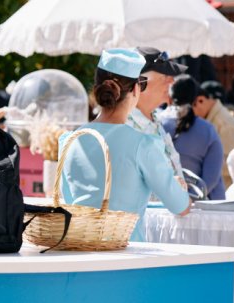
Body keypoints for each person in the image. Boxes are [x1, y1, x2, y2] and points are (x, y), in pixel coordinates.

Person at [58, 49, 190, 242]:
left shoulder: (69, 140)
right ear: (136, 90)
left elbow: (68, 200)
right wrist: (180, 189)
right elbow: (180, 206)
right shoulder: (143, 144)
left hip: (81, 252)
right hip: (127, 256)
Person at [127, 47, 187, 187]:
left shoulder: (154, 119)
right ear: (141, 83)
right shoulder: (125, 128)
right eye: (165, 76)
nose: (172, 81)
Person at [162, 76, 225, 200]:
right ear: (196, 100)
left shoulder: (153, 124)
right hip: (201, 207)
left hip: (161, 203)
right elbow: (211, 179)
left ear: (169, 98)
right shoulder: (208, 130)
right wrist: (187, 200)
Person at [197, 80, 234, 188]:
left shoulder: (224, 122)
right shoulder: (213, 118)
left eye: (192, 107)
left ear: (201, 100)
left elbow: (232, 162)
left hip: (224, 190)